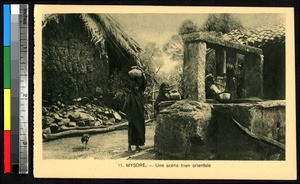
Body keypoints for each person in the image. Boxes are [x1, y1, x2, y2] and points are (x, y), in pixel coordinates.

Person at [124, 66, 147, 152]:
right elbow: (128, 106)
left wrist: (142, 72)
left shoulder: (140, 93)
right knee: (132, 128)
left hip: (139, 114)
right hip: (133, 114)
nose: (136, 87)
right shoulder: (131, 95)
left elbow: (144, 83)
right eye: (135, 86)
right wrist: (128, 115)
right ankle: (129, 146)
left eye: (137, 85)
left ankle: (138, 146)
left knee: (139, 129)